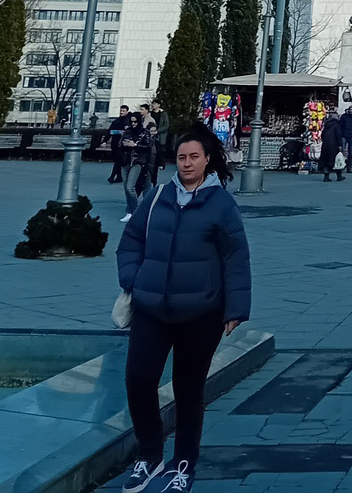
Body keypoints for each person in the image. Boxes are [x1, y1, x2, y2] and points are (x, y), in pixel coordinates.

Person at [117, 123, 250, 493]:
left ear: (207, 160)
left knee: (188, 390)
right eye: (181, 157)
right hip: (151, 309)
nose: (187, 164)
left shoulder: (221, 204)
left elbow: (236, 257)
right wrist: (133, 278)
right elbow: (129, 242)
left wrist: (236, 307)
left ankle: (184, 465)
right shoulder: (157, 196)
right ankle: (150, 454)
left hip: (201, 315)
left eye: (194, 157)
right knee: (139, 380)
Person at [121, 113, 153, 223]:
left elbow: (148, 146)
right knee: (126, 188)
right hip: (126, 161)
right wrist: (124, 144)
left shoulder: (145, 133)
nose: (133, 124)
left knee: (130, 187)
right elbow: (120, 145)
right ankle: (130, 211)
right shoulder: (127, 131)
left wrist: (135, 145)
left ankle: (134, 211)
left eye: (135, 122)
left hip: (138, 161)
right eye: (131, 122)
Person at [318, 109, 345, 181]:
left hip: (325, 145)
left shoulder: (326, 125)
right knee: (337, 160)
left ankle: (326, 177)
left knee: (326, 160)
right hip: (334, 145)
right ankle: (339, 176)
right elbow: (338, 135)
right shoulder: (337, 125)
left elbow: (322, 135)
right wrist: (340, 145)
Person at [108, 105, 130, 184]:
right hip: (115, 143)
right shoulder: (116, 121)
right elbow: (109, 131)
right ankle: (119, 176)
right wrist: (104, 141)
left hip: (123, 144)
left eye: (123, 111)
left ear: (127, 111)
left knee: (118, 160)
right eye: (121, 111)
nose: (121, 112)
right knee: (117, 160)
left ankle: (112, 176)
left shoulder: (128, 121)